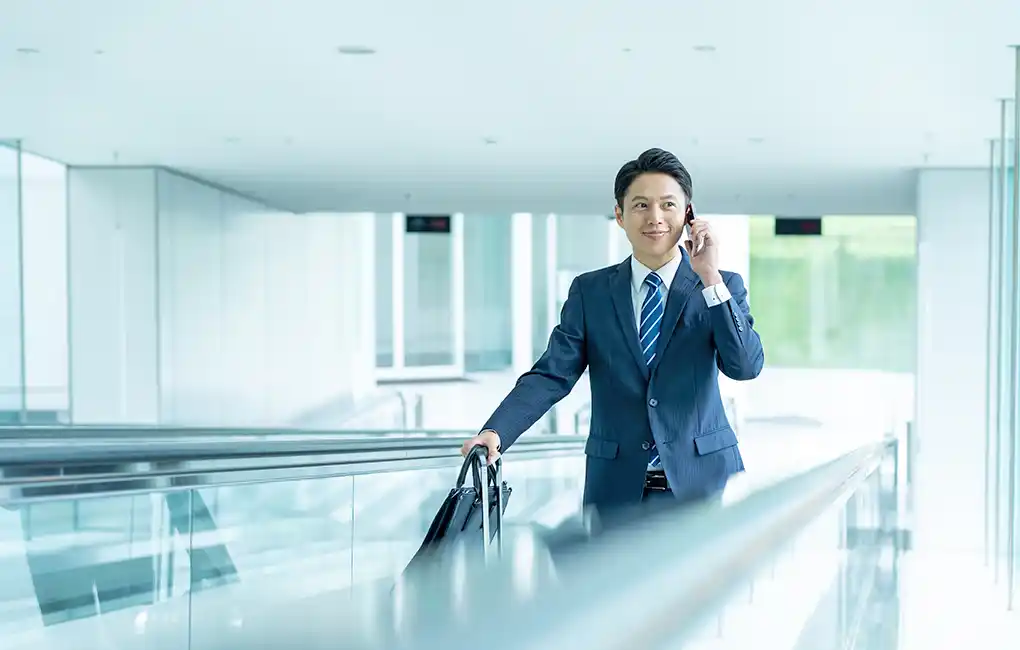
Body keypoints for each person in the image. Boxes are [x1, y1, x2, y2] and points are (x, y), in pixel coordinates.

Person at [460, 148, 764, 516]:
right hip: (617, 491)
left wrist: (710, 278)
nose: (655, 218)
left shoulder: (721, 285)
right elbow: (552, 374)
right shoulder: (591, 292)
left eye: (668, 205)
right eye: (640, 205)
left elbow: (745, 366)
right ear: (619, 215)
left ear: (688, 215)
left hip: (708, 486)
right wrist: (497, 431)